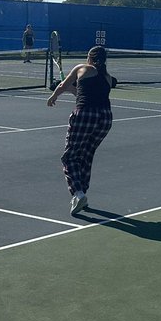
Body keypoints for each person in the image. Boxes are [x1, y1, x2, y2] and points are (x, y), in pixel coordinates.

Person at [47, 45, 117, 214]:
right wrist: (72, 88)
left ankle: (78, 194)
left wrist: (53, 96)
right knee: (86, 154)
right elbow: (82, 94)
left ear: (90, 58)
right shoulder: (107, 77)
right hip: (105, 118)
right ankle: (82, 192)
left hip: (85, 115)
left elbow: (64, 85)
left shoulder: (81, 68)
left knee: (69, 157)